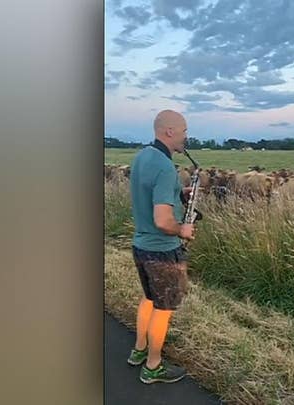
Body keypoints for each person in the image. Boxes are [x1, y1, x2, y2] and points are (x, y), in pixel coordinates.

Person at [127, 109, 196, 384]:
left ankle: (139, 350)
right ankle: (153, 366)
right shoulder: (166, 167)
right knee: (163, 308)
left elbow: (149, 191)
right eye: (184, 131)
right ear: (170, 131)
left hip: (140, 245)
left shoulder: (143, 156)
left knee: (149, 298)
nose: (186, 137)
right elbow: (163, 220)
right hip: (162, 250)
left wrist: (178, 194)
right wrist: (184, 230)